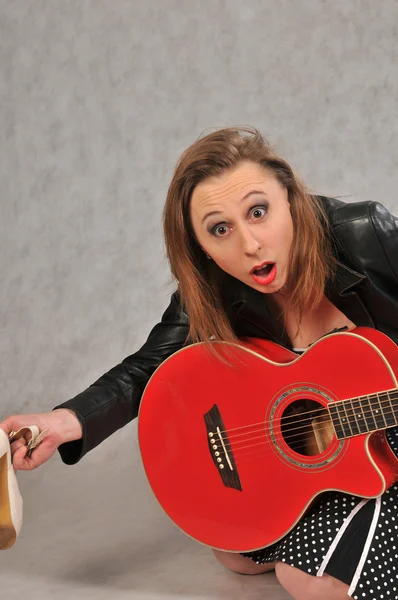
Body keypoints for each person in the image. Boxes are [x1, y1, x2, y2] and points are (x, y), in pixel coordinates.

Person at [1, 127, 398, 600]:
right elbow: (146, 367)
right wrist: (63, 422)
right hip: (335, 442)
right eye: (220, 229)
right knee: (234, 549)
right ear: (200, 244)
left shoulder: (365, 235)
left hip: (387, 427)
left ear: (291, 198)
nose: (249, 244)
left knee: (312, 582)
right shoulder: (214, 281)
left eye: (258, 211)